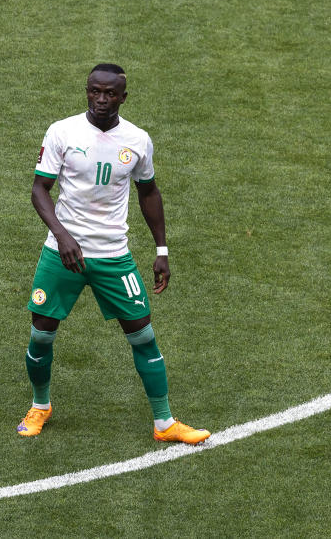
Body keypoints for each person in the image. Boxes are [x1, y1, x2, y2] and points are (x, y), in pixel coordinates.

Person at [17, 63, 210, 445]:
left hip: (113, 256)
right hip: (62, 254)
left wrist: (162, 250)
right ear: (86, 91)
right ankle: (41, 405)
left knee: (143, 337)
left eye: (109, 94)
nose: (101, 99)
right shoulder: (63, 132)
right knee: (41, 335)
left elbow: (148, 192)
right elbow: (40, 190)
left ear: (123, 96)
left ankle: (165, 423)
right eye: (94, 91)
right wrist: (62, 234)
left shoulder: (137, 140)